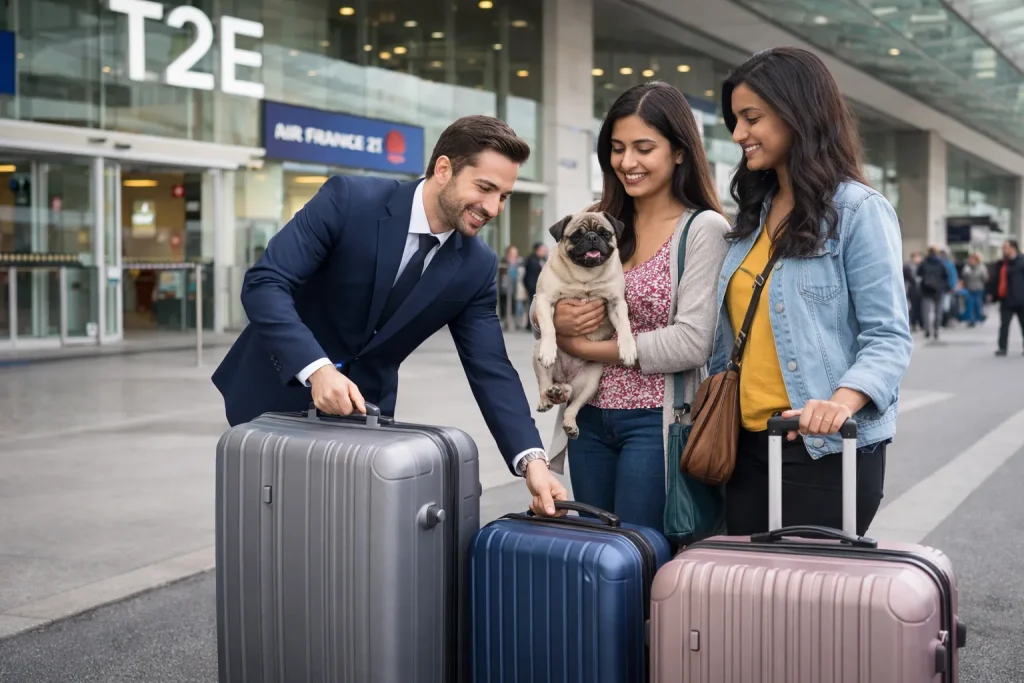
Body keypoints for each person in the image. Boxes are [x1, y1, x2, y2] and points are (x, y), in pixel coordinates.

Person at [212, 115, 568, 515]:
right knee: (268, 535)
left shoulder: (477, 266)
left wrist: (532, 463)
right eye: (485, 188)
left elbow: (490, 368)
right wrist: (317, 369)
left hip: (363, 421)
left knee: (341, 542)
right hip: (269, 399)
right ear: (444, 169)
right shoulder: (349, 200)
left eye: (503, 196)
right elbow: (265, 282)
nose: (492, 208)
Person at [713, 47, 913, 536]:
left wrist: (838, 403)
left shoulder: (858, 210)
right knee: (743, 602)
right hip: (743, 449)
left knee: (804, 605)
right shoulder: (751, 216)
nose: (738, 134)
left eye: (751, 118)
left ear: (797, 113)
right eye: (735, 120)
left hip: (824, 450)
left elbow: (888, 337)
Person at [528, 81, 731, 531]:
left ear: (679, 152)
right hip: (587, 419)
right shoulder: (595, 218)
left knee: (641, 553)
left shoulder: (704, 229)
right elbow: (544, 295)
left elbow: (692, 342)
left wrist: (581, 345)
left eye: (643, 148)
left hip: (655, 423)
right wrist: (555, 322)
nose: (627, 162)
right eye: (617, 148)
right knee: (599, 553)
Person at [990, 238, 1024, 356]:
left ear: (1013, 248)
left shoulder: (1022, 261)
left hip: (1021, 299)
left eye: (1005, 247)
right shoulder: (1002, 263)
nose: (1003, 250)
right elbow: (996, 280)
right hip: (1006, 299)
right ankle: (1002, 348)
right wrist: (993, 294)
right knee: (1004, 325)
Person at [918, 246, 950, 340]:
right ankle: (936, 330)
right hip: (938, 290)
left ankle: (927, 330)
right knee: (938, 311)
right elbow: (946, 276)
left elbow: (918, 274)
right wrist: (944, 287)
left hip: (926, 290)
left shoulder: (924, 263)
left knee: (926, 311)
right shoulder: (941, 263)